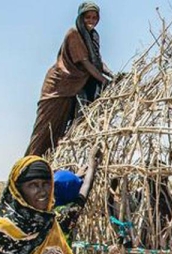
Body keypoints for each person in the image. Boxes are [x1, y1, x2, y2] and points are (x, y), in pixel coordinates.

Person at [26, 2, 112, 156]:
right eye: (88, 17)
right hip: (59, 86)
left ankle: (51, 163)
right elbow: (85, 63)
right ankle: (29, 167)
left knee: (61, 131)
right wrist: (104, 81)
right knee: (45, 131)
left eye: (94, 17)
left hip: (78, 84)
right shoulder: (74, 34)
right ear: (80, 17)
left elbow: (97, 62)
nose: (91, 20)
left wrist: (111, 74)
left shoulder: (92, 37)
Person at [53, 145, 101, 244]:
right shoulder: (65, 215)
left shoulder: (39, 210)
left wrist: (76, 176)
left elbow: (59, 185)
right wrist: (92, 165)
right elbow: (86, 187)